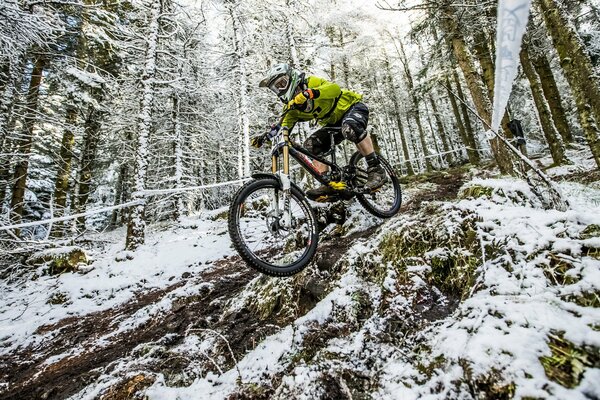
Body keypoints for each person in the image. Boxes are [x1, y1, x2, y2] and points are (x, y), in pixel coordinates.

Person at [254, 63, 387, 202]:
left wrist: (311, 93)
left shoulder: (310, 83)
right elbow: (282, 127)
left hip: (351, 107)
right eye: (276, 88)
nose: (280, 89)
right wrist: (266, 137)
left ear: (291, 77)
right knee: (311, 145)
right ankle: (328, 184)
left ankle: (376, 169)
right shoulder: (291, 108)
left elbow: (335, 89)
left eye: (282, 83)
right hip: (333, 123)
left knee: (350, 128)